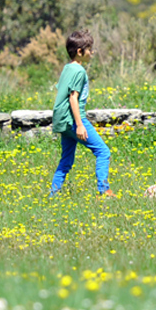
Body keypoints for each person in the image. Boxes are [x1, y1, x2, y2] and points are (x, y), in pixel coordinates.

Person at [50, 30, 114, 196]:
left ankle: (53, 195)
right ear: (80, 52)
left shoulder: (67, 68)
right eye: (89, 49)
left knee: (66, 160)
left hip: (62, 120)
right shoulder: (79, 71)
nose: (92, 52)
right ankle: (104, 191)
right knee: (103, 152)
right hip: (73, 120)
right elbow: (73, 99)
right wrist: (79, 125)